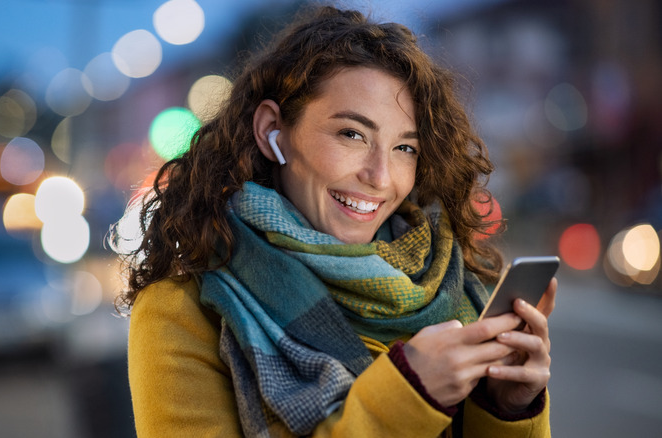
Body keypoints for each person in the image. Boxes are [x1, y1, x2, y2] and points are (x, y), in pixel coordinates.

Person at [116, 5, 556, 437]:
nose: (380, 177)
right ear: (273, 131)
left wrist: (505, 406)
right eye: (352, 134)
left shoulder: (449, 285)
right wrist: (409, 395)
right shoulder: (180, 313)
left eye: (405, 148)